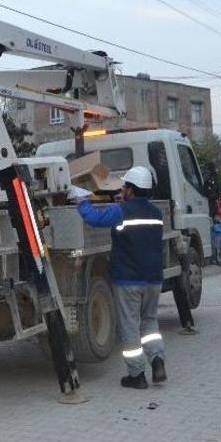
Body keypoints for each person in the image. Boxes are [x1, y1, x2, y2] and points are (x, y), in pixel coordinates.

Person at [75, 166, 166, 389]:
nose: (122, 189)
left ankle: (137, 375)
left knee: (129, 327)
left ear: (131, 190)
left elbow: (94, 219)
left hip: (128, 279)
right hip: (154, 278)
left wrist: (82, 201)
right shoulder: (157, 213)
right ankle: (157, 359)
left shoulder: (120, 211)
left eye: (124, 187)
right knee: (150, 321)